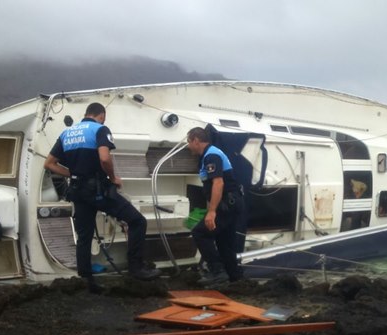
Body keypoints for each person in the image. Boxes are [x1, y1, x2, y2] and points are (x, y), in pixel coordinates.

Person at [44, 103, 160, 292]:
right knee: (137, 221)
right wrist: (113, 177)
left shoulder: (67, 133)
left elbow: (49, 164)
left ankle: (86, 281)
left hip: (78, 191)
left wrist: (72, 174)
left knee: (84, 237)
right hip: (98, 191)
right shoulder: (100, 129)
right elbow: (104, 158)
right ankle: (136, 269)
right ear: (101, 115)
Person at [186, 127, 244, 285]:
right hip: (231, 203)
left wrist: (211, 212)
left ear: (196, 140)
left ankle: (217, 271)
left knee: (200, 233)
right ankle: (234, 277)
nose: (188, 146)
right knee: (224, 241)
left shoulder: (211, 155)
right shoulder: (210, 154)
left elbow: (218, 183)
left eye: (189, 142)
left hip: (227, 204)